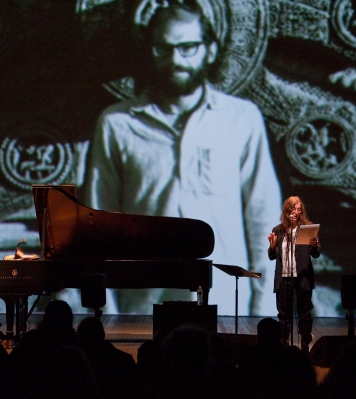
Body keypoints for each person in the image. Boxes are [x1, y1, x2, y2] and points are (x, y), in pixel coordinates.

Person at [84, 0, 281, 315]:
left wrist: (265, 311)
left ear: (210, 50)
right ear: (149, 51)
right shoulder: (117, 124)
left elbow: (263, 220)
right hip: (144, 305)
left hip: (227, 303)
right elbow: (98, 227)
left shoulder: (241, 119)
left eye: (188, 47)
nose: (176, 59)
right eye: (164, 48)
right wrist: (104, 315)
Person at [267, 196, 320, 352]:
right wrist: (272, 247)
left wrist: (314, 245)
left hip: (302, 277)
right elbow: (272, 256)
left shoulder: (307, 228)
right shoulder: (278, 230)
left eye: (298, 209)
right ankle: (284, 343)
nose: (296, 212)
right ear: (287, 210)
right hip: (284, 277)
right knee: (284, 314)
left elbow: (316, 253)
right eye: (293, 209)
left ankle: (304, 343)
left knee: (304, 313)